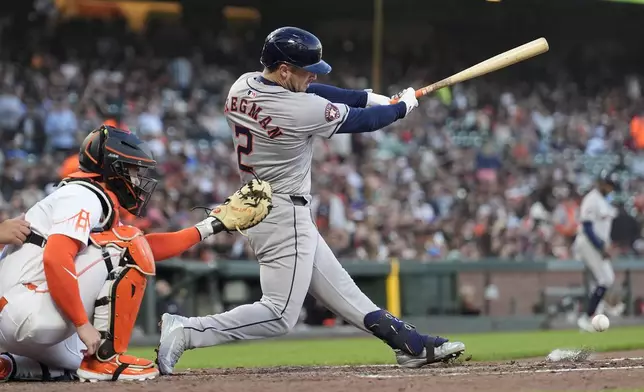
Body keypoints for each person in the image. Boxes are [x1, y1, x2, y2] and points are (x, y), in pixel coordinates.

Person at [156, 26, 465, 374]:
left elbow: (313, 91)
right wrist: (400, 108)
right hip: (283, 210)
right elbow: (361, 122)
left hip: (258, 203)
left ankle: (410, 344)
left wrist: (365, 96)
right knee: (279, 314)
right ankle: (187, 330)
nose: (310, 78)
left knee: (343, 291)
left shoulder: (241, 85)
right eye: (304, 71)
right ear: (284, 70)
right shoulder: (299, 110)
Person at [0, 125, 272, 382]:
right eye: (131, 169)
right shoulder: (82, 195)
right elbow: (56, 257)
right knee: (129, 243)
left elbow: (146, 248)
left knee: (77, 362)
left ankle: (10, 364)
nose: (137, 178)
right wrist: (83, 324)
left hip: (17, 315)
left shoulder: (84, 197)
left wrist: (209, 226)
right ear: (112, 169)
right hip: (26, 308)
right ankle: (107, 359)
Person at [574, 171, 621, 332]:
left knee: (608, 278)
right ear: (601, 183)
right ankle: (587, 317)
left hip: (599, 244)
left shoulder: (604, 201)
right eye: (608, 184)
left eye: (611, 185)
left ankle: (594, 314)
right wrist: (601, 247)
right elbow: (587, 227)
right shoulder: (591, 199)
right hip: (588, 243)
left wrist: (607, 246)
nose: (610, 188)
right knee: (603, 278)